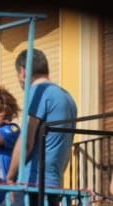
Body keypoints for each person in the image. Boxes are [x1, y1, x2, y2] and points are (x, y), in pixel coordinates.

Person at [8, 48, 77, 191]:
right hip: (54, 183)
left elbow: (26, 142)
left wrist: (10, 176)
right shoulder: (68, 97)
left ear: (23, 72)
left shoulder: (39, 91)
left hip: (34, 182)